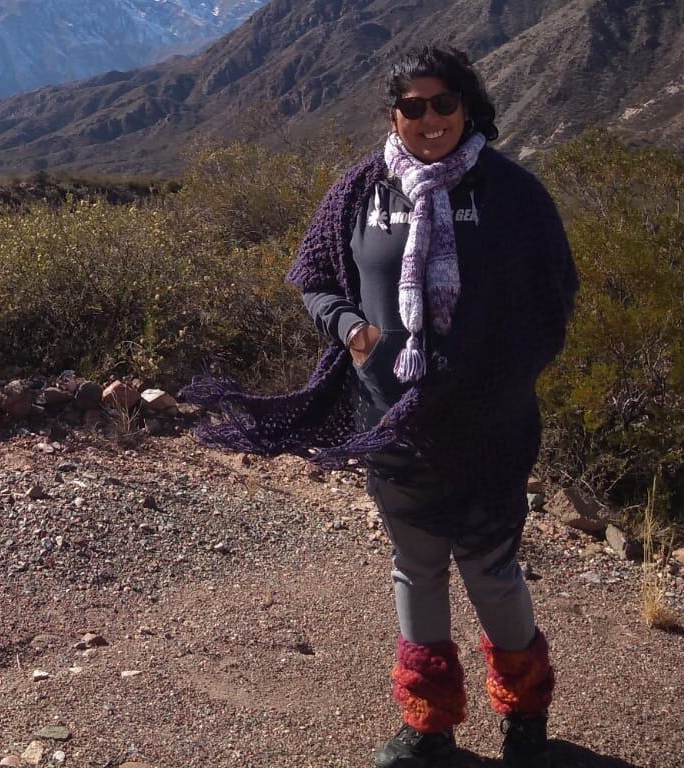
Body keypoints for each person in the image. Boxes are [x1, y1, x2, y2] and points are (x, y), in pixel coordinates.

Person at [183, 45, 577, 768]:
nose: (430, 119)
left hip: (488, 422)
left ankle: (525, 715)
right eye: (413, 106)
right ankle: (428, 724)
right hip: (388, 419)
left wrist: (495, 380)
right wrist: (347, 327)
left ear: (468, 107)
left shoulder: (513, 193)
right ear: (394, 114)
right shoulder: (362, 187)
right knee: (415, 567)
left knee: (490, 569)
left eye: (443, 104)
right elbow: (313, 277)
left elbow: (553, 307)